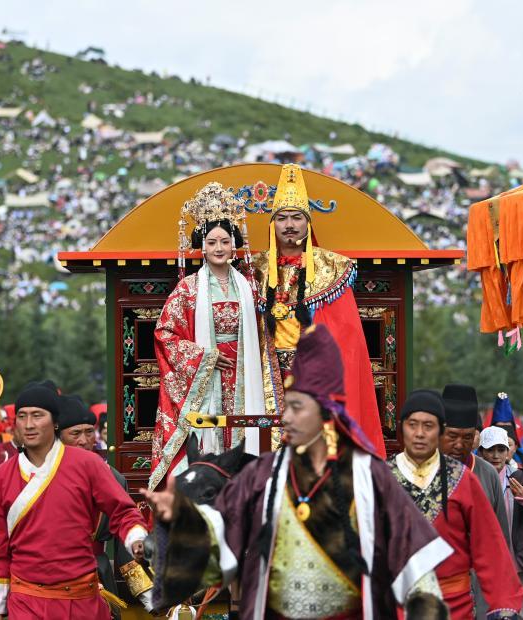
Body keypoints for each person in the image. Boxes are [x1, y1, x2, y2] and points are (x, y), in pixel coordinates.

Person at [142, 324, 451, 618]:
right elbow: (215, 557)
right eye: (286, 406)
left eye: (297, 407)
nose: (286, 417)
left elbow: (419, 577)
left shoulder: (372, 478)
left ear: (327, 410)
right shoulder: (258, 477)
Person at [0, 381, 148, 620]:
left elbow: (122, 511)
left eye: (37, 415)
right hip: (27, 602)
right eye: (22, 416)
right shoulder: (1, 478)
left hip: (83, 600)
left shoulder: (87, 465)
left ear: (55, 422)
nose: (29, 424)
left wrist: (136, 538)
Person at [253, 164, 385, 458]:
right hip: (266, 374)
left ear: (308, 223)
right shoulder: (254, 269)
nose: (289, 225)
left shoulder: (332, 268)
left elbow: (346, 336)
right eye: (282, 218)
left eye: (297, 217)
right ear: (272, 224)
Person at [150, 181, 265, 491]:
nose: (218, 248)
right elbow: (165, 333)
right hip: (207, 373)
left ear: (234, 245)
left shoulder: (249, 286)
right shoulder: (189, 288)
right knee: (210, 432)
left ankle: (245, 486)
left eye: (225, 241)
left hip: (243, 371)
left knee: (243, 427)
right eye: (212, 242)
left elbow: (264, 332)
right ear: (201, 246)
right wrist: (205, 357)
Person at [388, 390, 522, 619]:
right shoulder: (382, 476)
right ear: (401, 428)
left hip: (454, 605)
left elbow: (491, 546)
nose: (420, 434)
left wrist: (504, 603)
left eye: (428, 426)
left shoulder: (464, 479)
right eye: (413, 425)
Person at [57, 393, 142, 613]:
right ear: (58, 436)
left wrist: (142, 590)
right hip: (53, 573)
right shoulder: (42, 476)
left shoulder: (112, 477)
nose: (84, 440)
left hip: (98, 571)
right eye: (75, 433)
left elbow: (124, 539)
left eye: (89, 432)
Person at [478, 426, 523, 620]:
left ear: (508, 452)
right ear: (481, 451)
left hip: (521, 560)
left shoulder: (520, 477)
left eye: (501, 449)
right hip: (487, 562)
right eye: (490, 450)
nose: (496, 455)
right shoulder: (473, 478)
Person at [439, 384, 510, 548]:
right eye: (452, 436)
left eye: (467, 437)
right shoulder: (422, 471)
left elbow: (501, 538)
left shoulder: (488, 473)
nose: (459, 445)